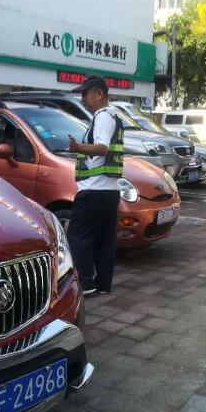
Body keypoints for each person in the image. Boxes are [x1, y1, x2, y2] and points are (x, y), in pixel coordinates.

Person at [66, 75, 124, 297]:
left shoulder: (102, 116)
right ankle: (103, 284)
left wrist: (78, 147)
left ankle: (86, 284)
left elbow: (102, 148)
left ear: (99, 93)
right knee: (104, 240)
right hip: (109, 191)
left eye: (85, 93)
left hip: (93, 191)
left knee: (77, 237)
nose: (83, 99)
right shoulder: (113, 115)